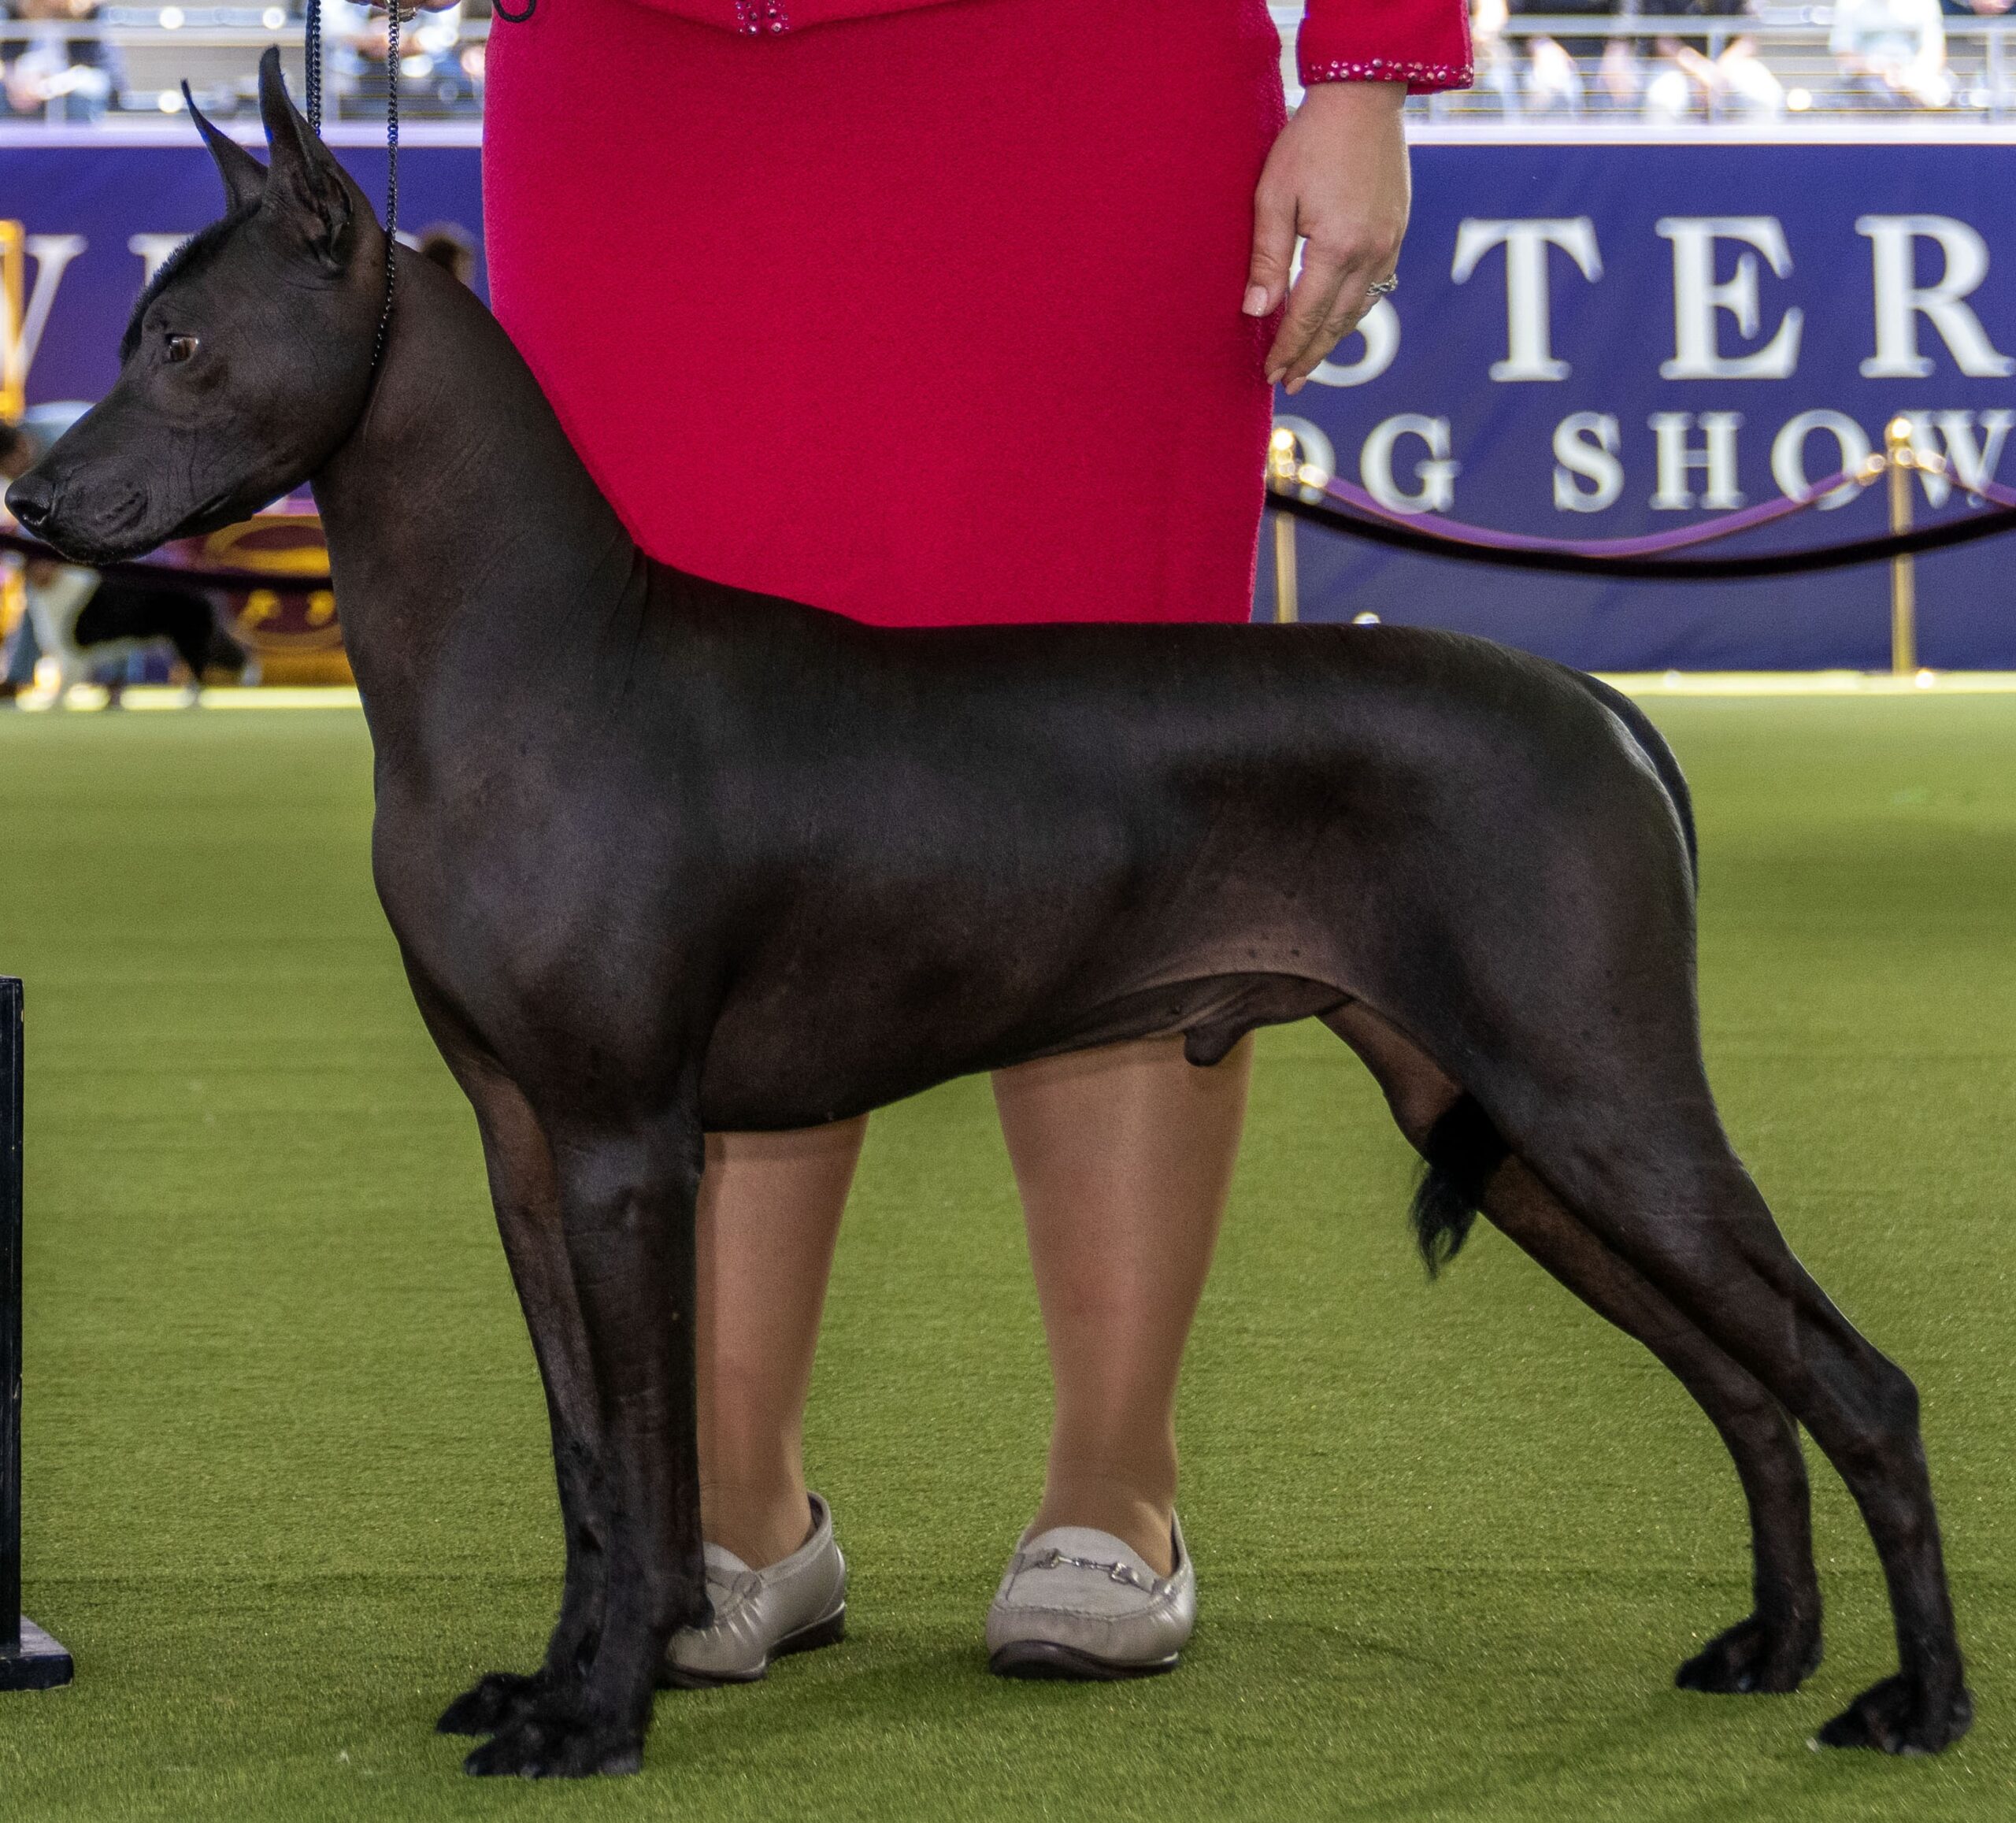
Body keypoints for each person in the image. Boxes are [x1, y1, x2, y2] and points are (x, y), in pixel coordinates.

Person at [472, 0, 1469, 1683]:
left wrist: (1369, 65)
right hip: (633, 94)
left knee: (1114, 799)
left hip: (1076, 75)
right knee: (687, 819)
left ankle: (1114, 1480)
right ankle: (730, 1505)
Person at [1, 0, 120, 122]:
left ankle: (79, 141)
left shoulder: (92, 12)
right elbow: (6, 59)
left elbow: (104, 71)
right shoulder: (16, 10)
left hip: (70, 84)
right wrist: (14, 81)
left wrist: (58, 84)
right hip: (25, 86)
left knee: (84, 95)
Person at [1832, 0, 1954, 106]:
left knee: (1945, 96)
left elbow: (1934, 49)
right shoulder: (1849, 4)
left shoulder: (1924, 3)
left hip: (1916, 75)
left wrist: (1912, 76)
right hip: (1867, 78)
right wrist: (1878, 70)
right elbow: (1845, 53)